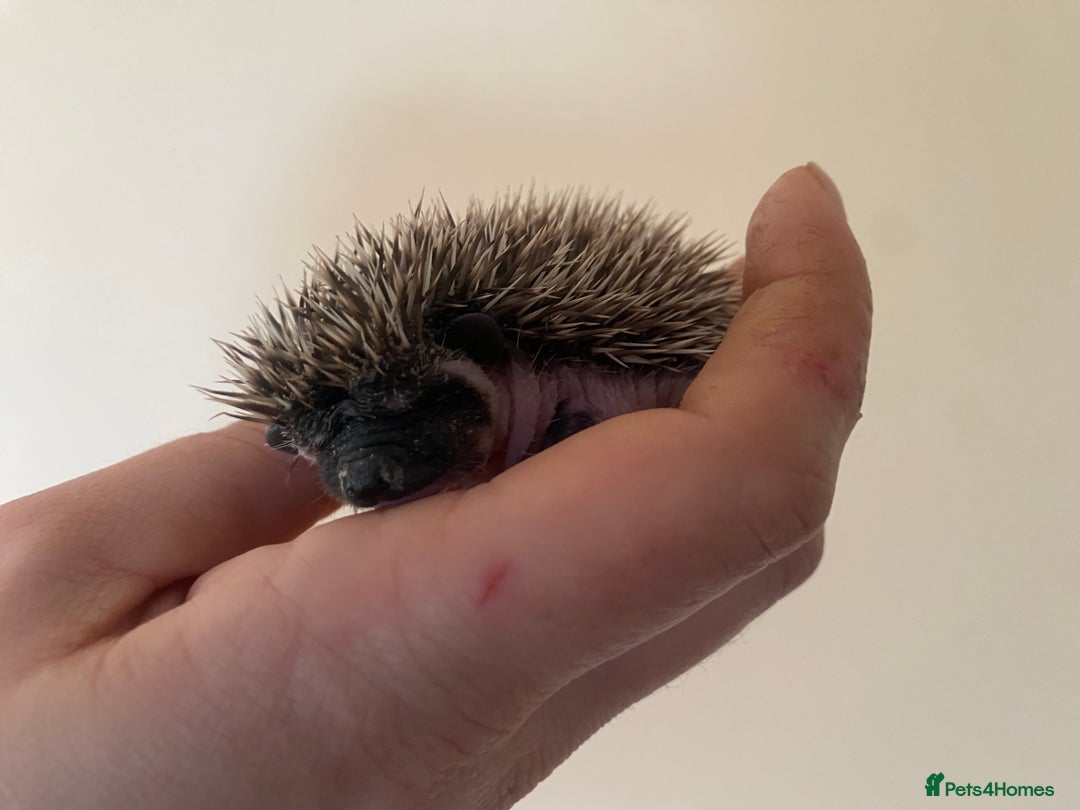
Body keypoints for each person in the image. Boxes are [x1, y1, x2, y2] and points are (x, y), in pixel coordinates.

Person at [0, 164, 870, 808]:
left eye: (408, 412)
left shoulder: (593, 364)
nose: (367, 476)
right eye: (336, 452)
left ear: (487, 350)